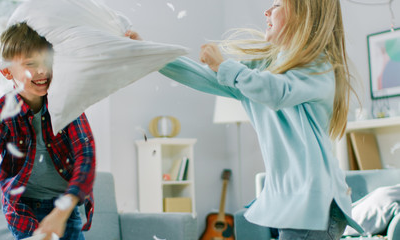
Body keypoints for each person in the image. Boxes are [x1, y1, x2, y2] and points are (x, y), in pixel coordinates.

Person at [127, 0, 364, 239]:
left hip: (315, 203)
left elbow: (275, 92)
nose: (267, 11)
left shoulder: (317, 67)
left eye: (277, 4)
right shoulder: (262, 67)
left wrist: (223, 65)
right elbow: (200, 75)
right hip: (297, 205)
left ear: (303, 15)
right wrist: (149, 53)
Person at [0, 22, 95, 240]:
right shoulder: (1, 115)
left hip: (65, 210)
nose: (42, 71)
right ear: (6, 71)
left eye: (46, 62)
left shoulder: (67, 103)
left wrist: (61, 213)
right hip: (24, 212)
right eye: (31, 64)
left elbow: (86, 159)